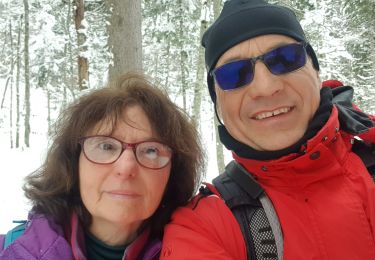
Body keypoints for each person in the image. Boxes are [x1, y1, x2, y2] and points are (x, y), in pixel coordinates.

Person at [161, 0, 375, 259]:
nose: (265, 87)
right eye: (233, 74)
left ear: (316, 71)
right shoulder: (204, 227)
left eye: (285, 59)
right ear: (218, 103)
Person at [0, 73, 204, 260]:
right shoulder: (14, 251)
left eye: (151, 150)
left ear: (173, 174)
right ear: (73, 164)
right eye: (106, 146)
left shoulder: (202, 251)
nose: (126, 168)